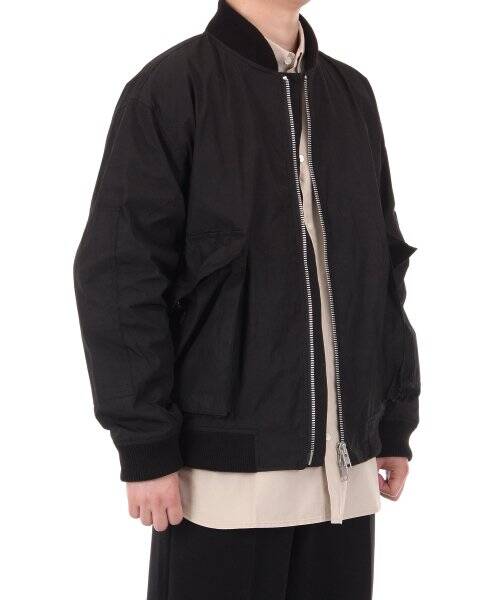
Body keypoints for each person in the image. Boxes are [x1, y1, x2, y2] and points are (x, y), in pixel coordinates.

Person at [74, 0, 420, 598]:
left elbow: (383, 268)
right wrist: (145, 444)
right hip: (221, 482)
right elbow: (118, 274)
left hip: (344, 480)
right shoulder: (172, 89)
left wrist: (392, 419)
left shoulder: (351, 94)